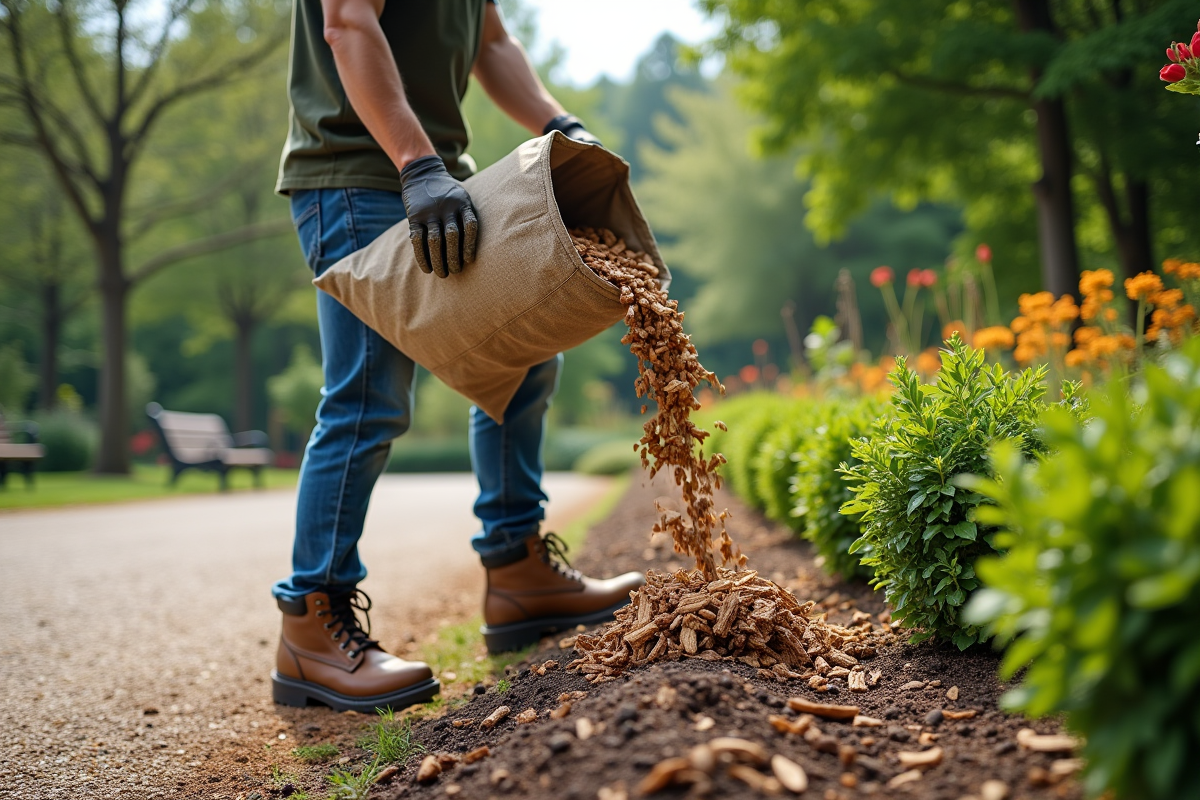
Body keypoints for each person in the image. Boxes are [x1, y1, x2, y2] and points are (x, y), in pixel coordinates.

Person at [268, 0, 644, 714]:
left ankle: (516, 571)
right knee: (368, 397)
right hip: (358, 172)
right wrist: (417, 163)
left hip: (443, 174)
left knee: (527, 353)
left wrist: (557, 122)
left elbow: (491, 41)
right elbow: (348, 22)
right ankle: (311, 624)